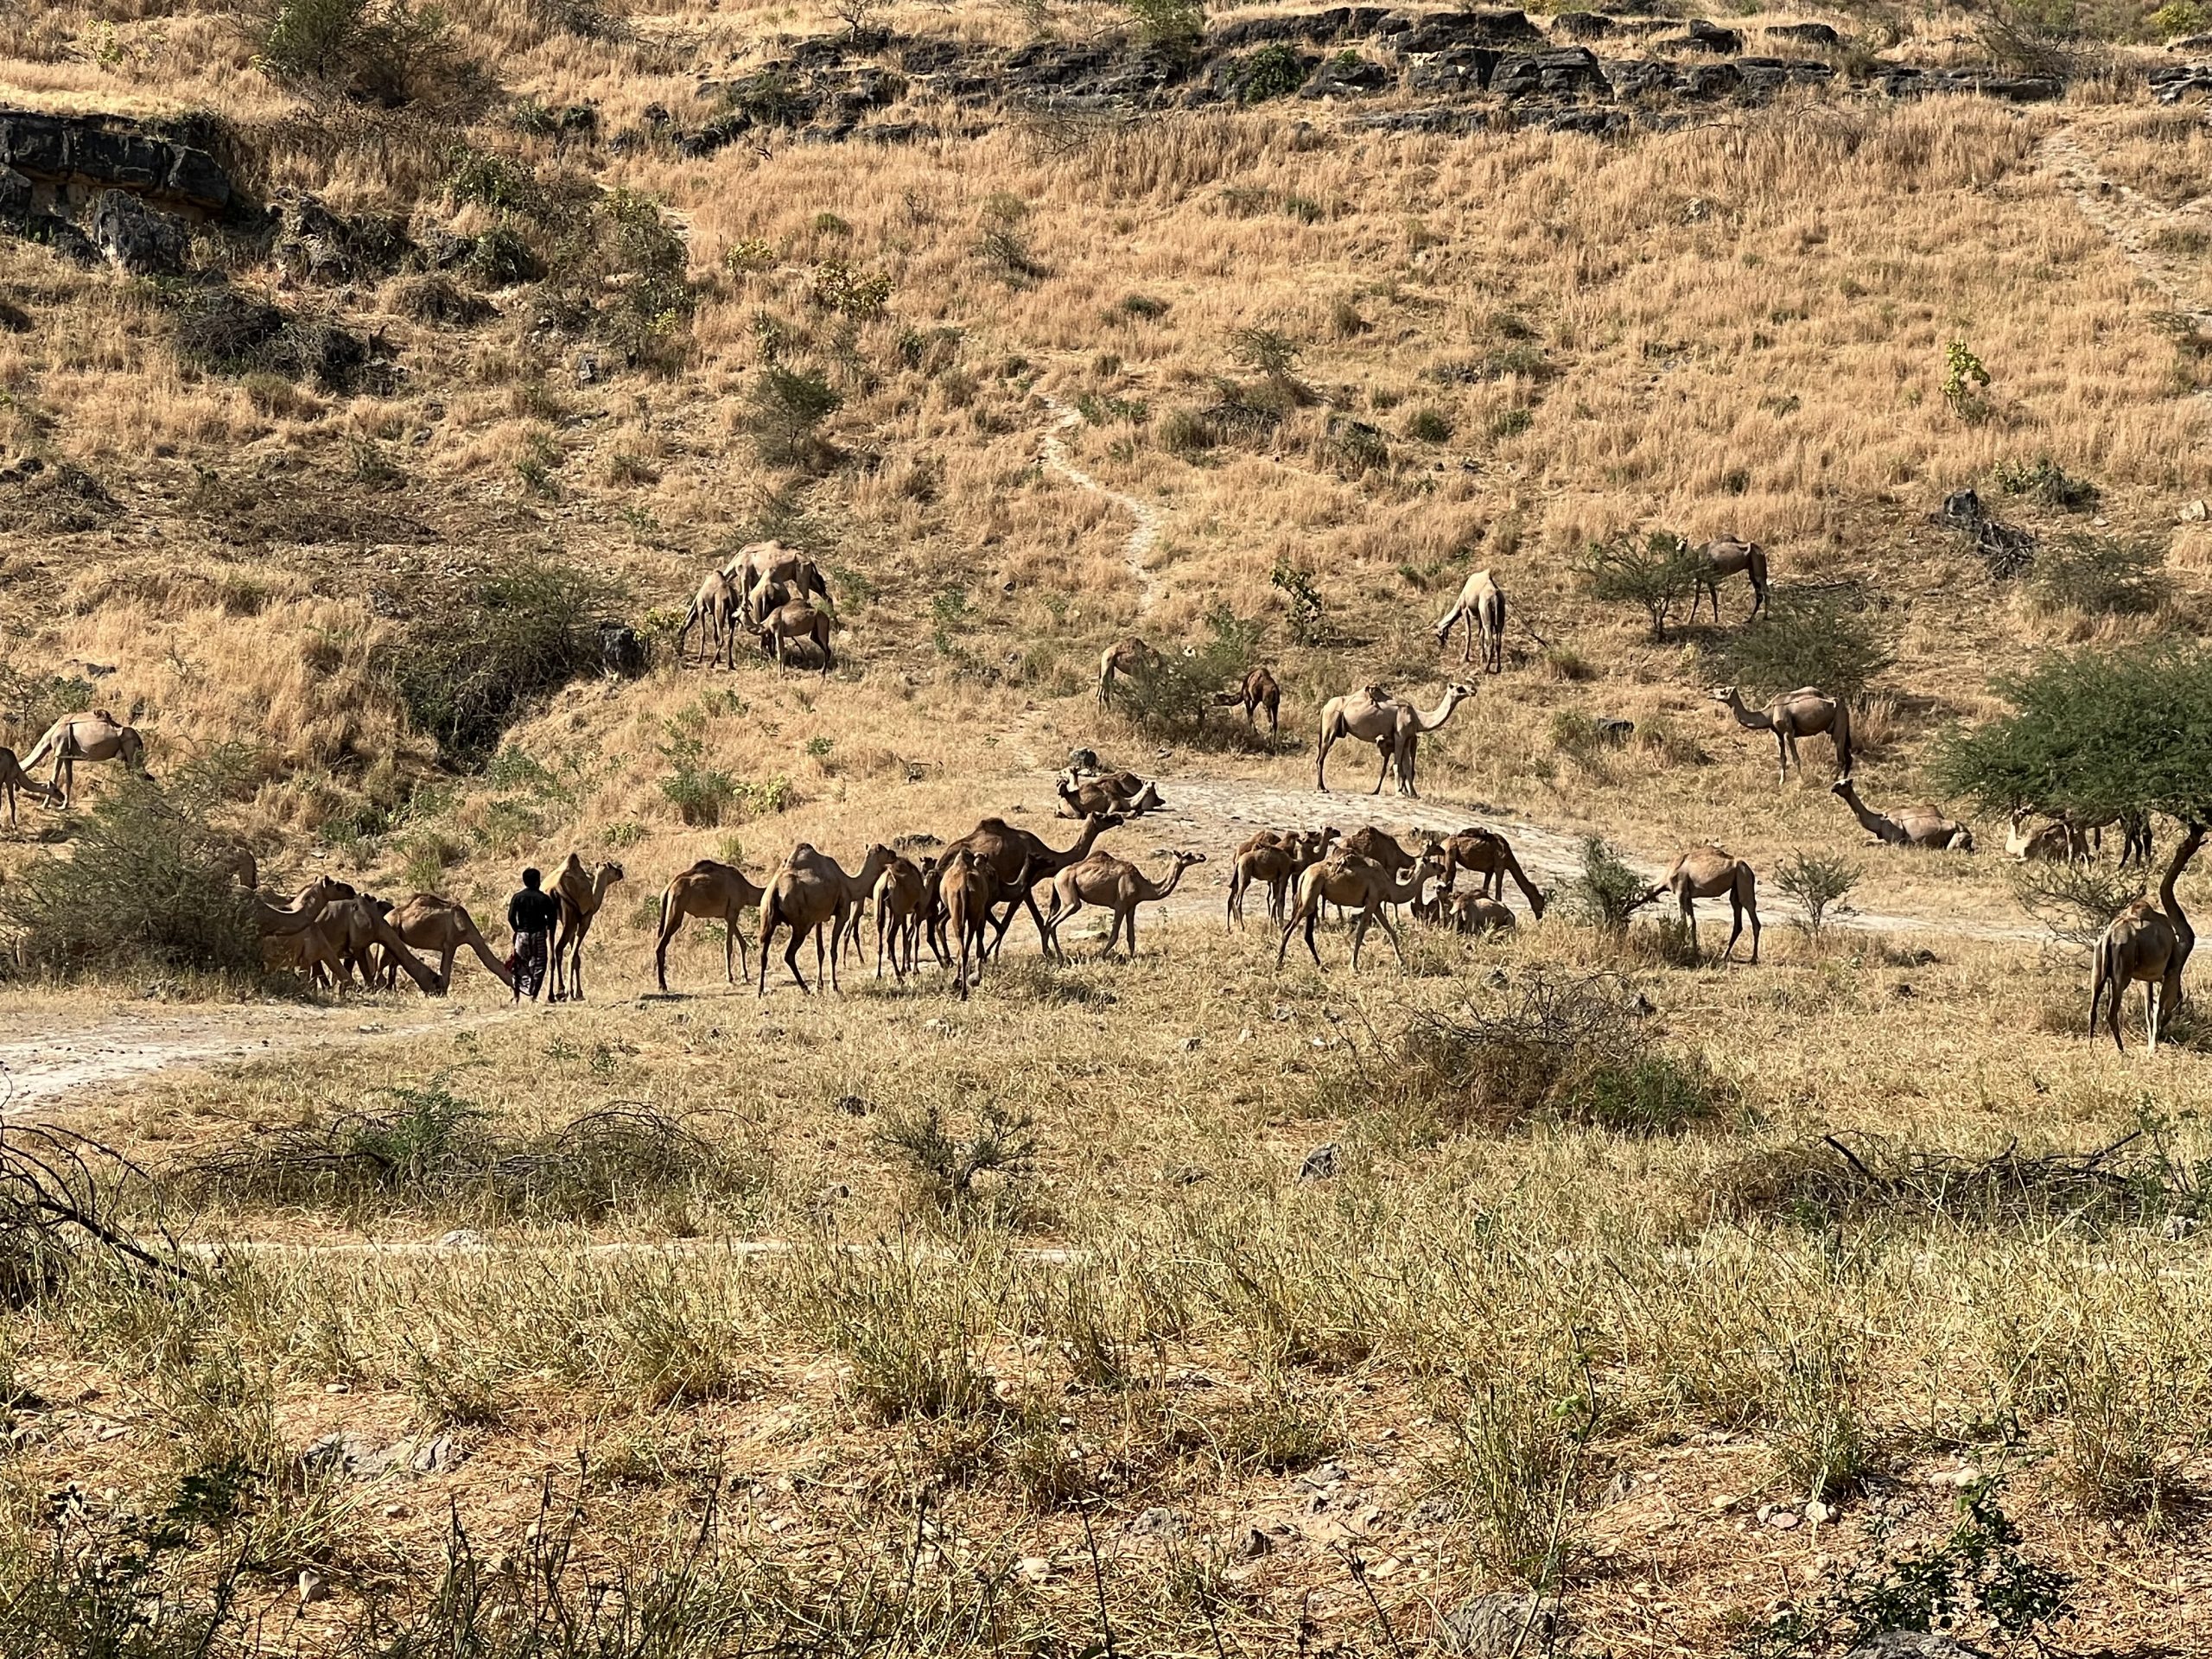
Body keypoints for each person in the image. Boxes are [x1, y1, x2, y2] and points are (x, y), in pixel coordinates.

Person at [507, 867, 561, 1003]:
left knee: (519, 965)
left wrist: (517, 930)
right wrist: (548, 930)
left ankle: (516, 995)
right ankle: (533, 996)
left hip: (522, 935)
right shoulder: (544, 898)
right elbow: (552, 917)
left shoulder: (517, 897)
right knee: (540, 965)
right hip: (538, 935)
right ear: (538, 881)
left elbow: (511, 917)